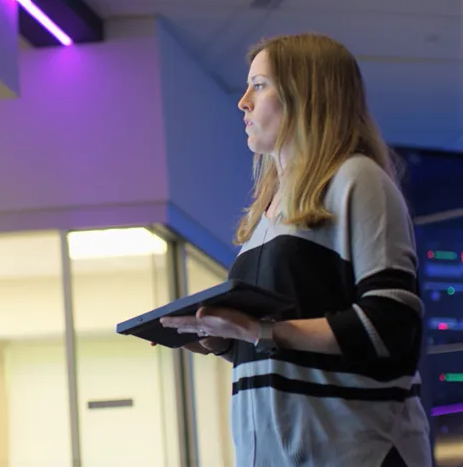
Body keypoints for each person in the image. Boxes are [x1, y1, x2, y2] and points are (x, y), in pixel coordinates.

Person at [160, 33, 432, 467]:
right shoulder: (264, 215)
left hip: (358, 452)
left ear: (305, 94)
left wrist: (259, 331)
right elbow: (286, 335)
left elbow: (392, 326)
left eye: (260, 85)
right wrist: (222, 338)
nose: (243, 102)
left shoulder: (356, 179)